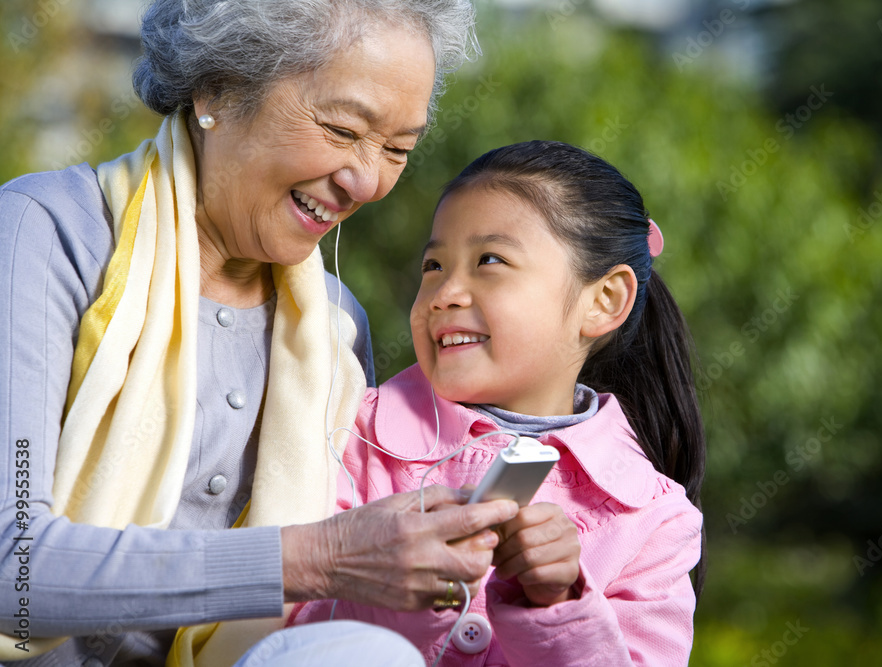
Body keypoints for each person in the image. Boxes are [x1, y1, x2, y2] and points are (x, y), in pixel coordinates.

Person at [0, 1, 520, 665]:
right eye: (340, 129)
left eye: (396, 149)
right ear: (218, 90)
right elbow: (12, 567)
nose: (365, 179)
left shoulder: (332, 326)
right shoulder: (43, 233)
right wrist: (320, 555)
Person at [287, 141, 707, 665]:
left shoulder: (653, 519)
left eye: (490, 260)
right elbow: (288, 634)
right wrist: (418, 588)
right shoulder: (349, 433)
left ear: (604, 301)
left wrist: (558, 603)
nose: (444, 293)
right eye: (433, 265)